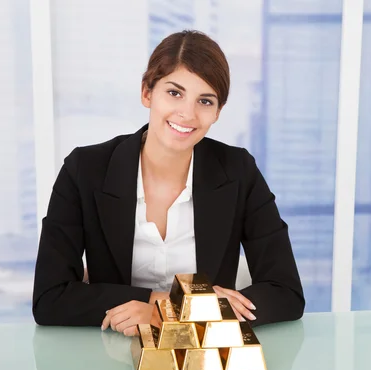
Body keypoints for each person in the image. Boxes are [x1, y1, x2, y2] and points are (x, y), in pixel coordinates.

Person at [32, 30, 304, 335]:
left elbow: (286, 292)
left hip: (205, 355)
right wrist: (159, 302)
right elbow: (49, 298)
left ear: (217, 112)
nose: (187, 114)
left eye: (205, 100)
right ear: (147, 92)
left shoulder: (238, 171)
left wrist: (173, 311)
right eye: (174, 93)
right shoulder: (85, 170)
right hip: (111, 351)